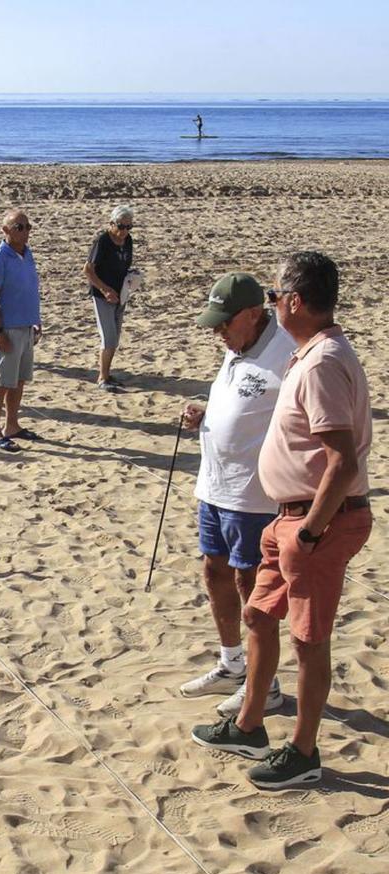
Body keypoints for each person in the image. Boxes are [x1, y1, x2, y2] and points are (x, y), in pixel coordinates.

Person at [192, 253, 373, 790]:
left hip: (314, 522)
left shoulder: (320, 362)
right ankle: (249, 724)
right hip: (287, 520)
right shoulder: (308, 352)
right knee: (257, 615)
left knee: (308, 640)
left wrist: (312, 531)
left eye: (275, 297)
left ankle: (303, 751)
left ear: (294, 301)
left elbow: (342, 459)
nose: (272, 305)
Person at [179, 273, 296, 719]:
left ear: (252, 314)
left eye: (224, 323)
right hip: (215, 486)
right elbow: (240, 402)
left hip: (255, 495)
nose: (218, 332)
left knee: (253, 588)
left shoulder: (286, 351)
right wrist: (206, 412)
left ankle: (265, 686)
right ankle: (232, 664)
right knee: (215, 572)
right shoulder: (237, 346)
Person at [0, 209, 42, 451]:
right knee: (1, 382)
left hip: (26, 325)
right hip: (7, 328)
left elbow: (30, 288)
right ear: (5, 231)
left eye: (27, 227)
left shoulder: (27, 254)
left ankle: (12, 425)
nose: (25, 232)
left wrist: (36, 320)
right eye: (19, 227)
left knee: (18, 380)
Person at [83, 206, 136, 391]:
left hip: (120, 293)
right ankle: (102, 378)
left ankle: (107, 373)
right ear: (112, 224)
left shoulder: (128, 240)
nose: (124, 231)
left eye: (129, 227)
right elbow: (88, 270)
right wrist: (105, 290)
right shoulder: (102, 241)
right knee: (108, 338)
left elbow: (125, 265)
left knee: (115, 336)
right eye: (121, 227)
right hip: (102, 295)